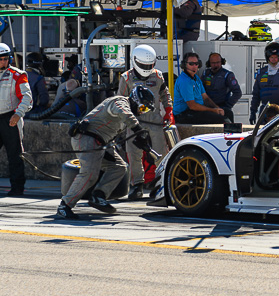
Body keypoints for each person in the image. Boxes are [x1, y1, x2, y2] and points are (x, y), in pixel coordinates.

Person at [56, 86, 156, 219]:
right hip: (87, 137)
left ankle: (99, 195)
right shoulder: (119, 102)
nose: (142, 112)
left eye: (146, 110)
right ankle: (65, 206)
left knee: (119, 167)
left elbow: (113, 132)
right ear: (135, 100)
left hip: (102, 142)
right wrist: (138, 129)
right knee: (89, 174)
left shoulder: (124, 111)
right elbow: (125, 114)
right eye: (143, 108)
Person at [117, 45, 174, 200]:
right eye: (144, 65)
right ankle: (137, 185)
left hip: (155, 121)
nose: (147, 68)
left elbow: (165, 94)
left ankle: (161, 183)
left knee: (160, 153)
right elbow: (119, 102)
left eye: (150, 65)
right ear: (135, 61)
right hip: (134, 123)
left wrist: (169, 111)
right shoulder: (126, 78)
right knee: (133, 154)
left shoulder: (158, 76)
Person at [0, 43, 32, 197]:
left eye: (5, 59)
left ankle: (17, 188)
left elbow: (27, 97)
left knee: (15, 155)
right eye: (0, 59)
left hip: (11, 118)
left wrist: (18, 114)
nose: (3, 62)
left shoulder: (18, 75)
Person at [249, 42, 279, 125]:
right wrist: (253, 112)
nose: (273, 59)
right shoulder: (261, 72)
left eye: (276, 57)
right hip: (264, 112)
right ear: (268, 57)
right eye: (271, 57)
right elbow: (256, 95)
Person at [173, 52, 226, 124]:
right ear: (185, 65)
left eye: (196, 64)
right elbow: (192, 105)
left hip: (195, 111)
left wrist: (217, 108)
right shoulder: (184, 81)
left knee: (227, 113)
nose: (194, 66)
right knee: (217, 118)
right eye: (191, 64)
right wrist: (213, 110)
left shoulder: (196, 78)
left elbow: (205, 97)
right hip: (183, 114)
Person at [201, 53, 242, 123]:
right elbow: (201, 91)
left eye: (218, 62)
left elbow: (237, 93)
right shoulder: (205, 73)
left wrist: (227, 106)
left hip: (222, 109)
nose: (216, 65)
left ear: (222, 62)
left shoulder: (227, 75)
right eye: (213, 63)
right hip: (209, 109)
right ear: (209, 63)